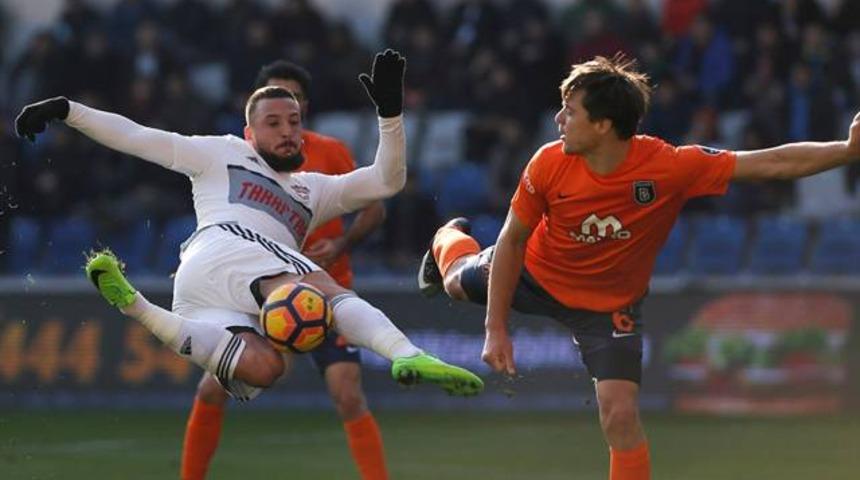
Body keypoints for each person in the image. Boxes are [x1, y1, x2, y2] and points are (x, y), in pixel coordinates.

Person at [418, 54, 860, 480]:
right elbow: (513, 241)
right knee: (456, 282)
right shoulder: (548, 163)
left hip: (608, 308)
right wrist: (496, 328)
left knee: (621, 415)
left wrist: (846, 150)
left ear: (603, 125)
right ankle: (447, 238)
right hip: (534, 273)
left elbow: (772, 163)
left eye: (569, 112)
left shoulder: (667, 167)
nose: (558, 121)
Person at [15, 47, 483, 411]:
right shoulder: (220, 153)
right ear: (249, 134)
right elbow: (139, 137)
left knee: (264, 368)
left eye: (294, 123)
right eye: (273, 123)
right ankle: (404, 351)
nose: (286, 132)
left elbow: (386, 180)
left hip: (202, 296)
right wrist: (68, 109)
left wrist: (390, 116)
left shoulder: (312, 189)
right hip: (228, 248)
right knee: (322, 285)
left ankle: (136, 307)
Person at [180, 60, 389, 480]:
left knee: (347, 395)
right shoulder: (236, 158)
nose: (282, 109)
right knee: (211, 388)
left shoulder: (329, 151)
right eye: (272, 99)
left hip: (327, 293)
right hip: (258, 295)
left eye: (290, 99)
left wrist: (343, 243)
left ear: (304, 106)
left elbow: (376, 207)